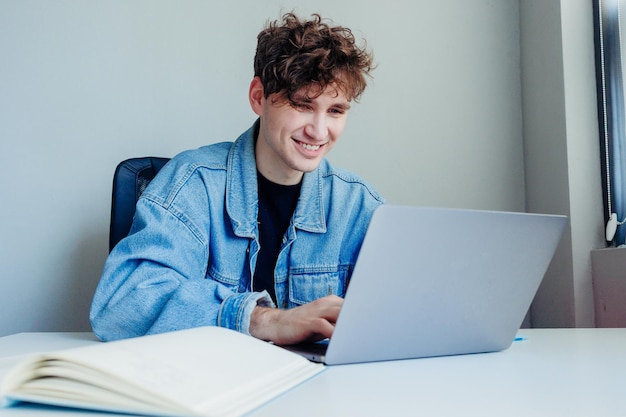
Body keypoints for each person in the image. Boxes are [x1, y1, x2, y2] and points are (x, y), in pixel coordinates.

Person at [90, 12, 384, 345]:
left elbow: (398, 317)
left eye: (335, 111)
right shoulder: (193, 183)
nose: (318, 131)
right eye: (302, 105)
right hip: (208, 389)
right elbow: (120, 307)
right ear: (258, 97)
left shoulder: (360, 205)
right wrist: (263, 320)